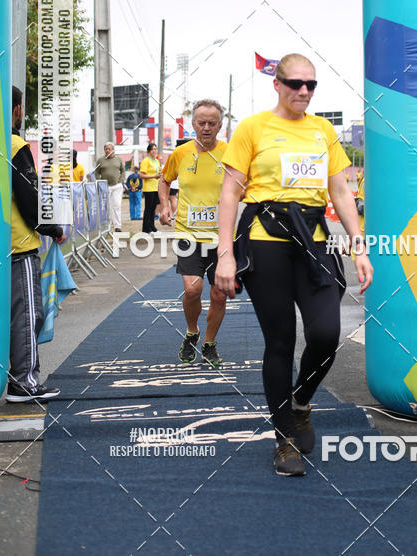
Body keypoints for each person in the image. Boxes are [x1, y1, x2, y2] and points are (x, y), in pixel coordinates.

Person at [215, 53, 373, 477]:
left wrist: (358, 247)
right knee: (281, 342)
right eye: (295, 84)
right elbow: (229, 194)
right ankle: (283, 438)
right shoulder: (252, 128)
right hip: (265, 242)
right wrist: (225, 254)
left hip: (314, 241)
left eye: (311, 85)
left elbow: (340, 192)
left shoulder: (323, 131)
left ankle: (301, 403)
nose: (304, 91)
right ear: (277, 84)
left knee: (326, 334)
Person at [6, 86, 66, 403]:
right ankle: (24, 383)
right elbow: (30, 200)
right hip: (18, 247)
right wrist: (53, 229)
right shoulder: (14, 145)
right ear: (17, 109)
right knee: (27, 316)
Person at [159, 101, 228, 367]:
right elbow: (164, 180)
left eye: (212, 123)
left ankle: (209, 343)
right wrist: (165, 206)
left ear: (220, 126)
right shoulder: (181, 153)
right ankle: (192, 331)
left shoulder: (230, 153)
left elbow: (245, 184)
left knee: (219, 294)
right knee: (192, 289)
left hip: (222, 236)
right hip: (188, 234)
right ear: (193, 125)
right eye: (201, 123)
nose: (206, 128)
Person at [95, 141, 125, 232]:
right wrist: (99, 182)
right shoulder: (100, 160)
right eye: (106, 149)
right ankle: (106, 226)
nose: (107, 150)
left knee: (117, 205)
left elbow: (123, 171)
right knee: (106, 207)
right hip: (105, 187)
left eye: (109, 149)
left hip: (117, 186)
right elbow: (97, 172)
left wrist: (121, 181)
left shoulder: (118, 159)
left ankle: (117, 226)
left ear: (113, 150)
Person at [140, 142, 161, 233]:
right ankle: (146, 228)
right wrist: (153, 176)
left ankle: (152, 226)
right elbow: (142, 175)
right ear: (149, 151)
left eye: (155, 149)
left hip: (156, 187)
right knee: (148, 208)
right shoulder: (146, 161)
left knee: (153, 208)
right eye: (152, 149)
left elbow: (159, 172)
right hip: (148, 188)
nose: (154, 151)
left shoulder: (156, 161)